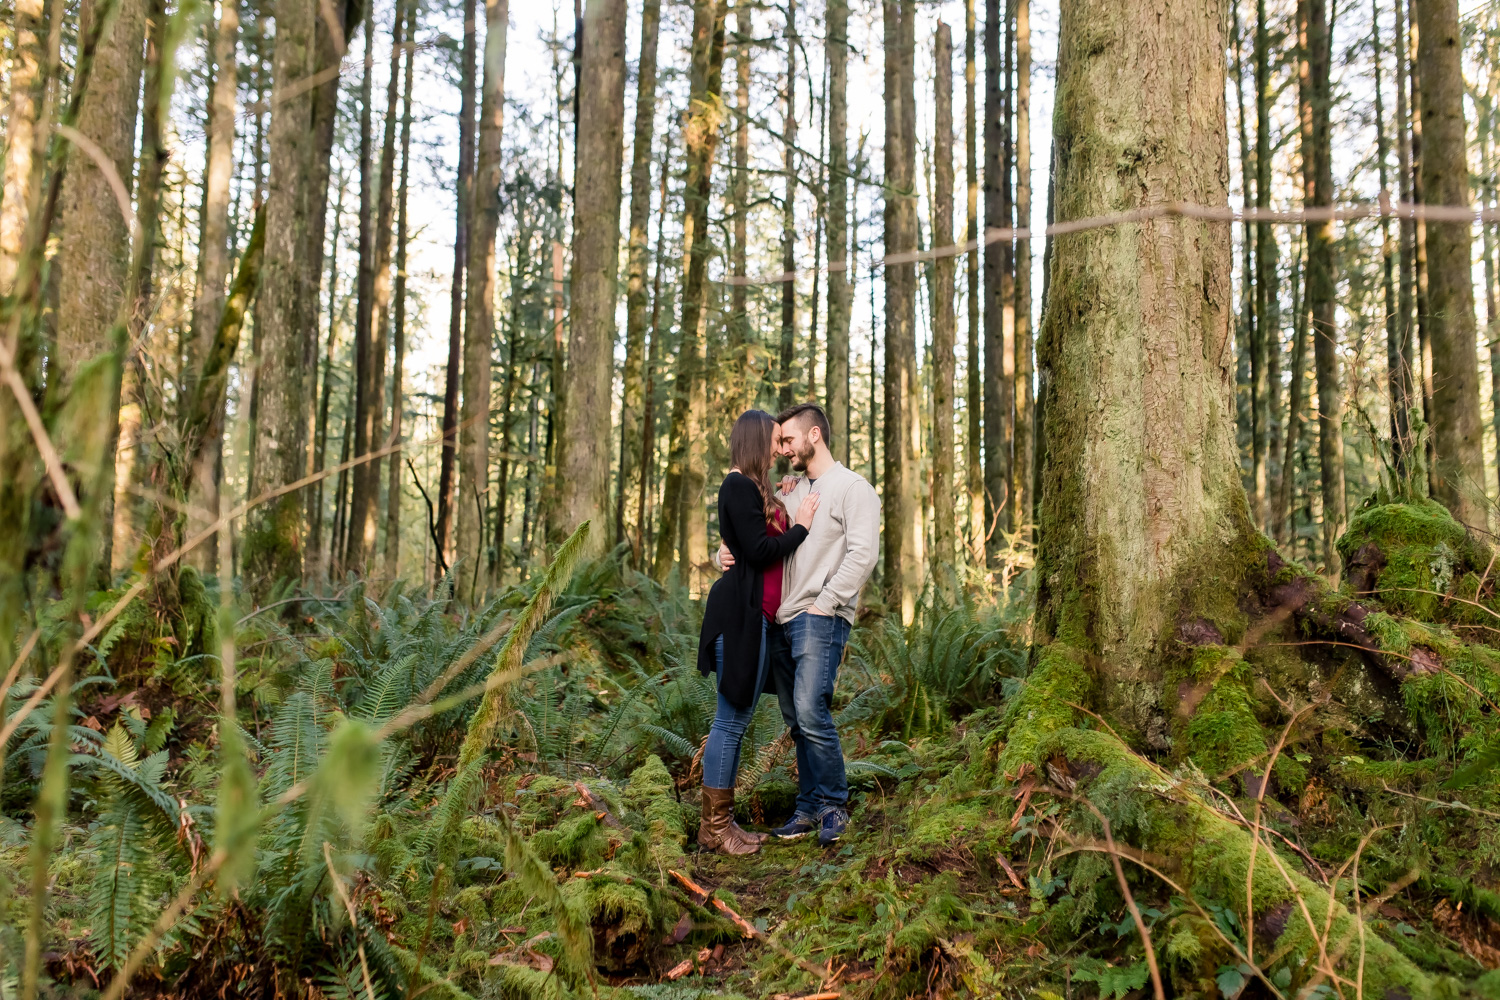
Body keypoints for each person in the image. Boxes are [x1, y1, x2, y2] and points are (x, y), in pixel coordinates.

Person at [717, 402, 880, 846]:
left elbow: (863, 555)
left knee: (811, 710)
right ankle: (807, 807)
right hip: (782, 621)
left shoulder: (853, 488)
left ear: (814, 436)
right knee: (796, 719)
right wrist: (722, 554)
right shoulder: (791, 491)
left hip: (819, 617)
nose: (782, 449)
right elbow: (757, 539)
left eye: (788, 440)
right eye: (778, 442)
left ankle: (833, 805)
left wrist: (826, 604)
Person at [696, 410, 821, 855]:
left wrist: (785, 499)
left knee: (737, 719)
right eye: (773, 440)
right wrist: (802, 525)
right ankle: (715, 829)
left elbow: (751, 538)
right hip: (739, 616)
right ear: (754, 441)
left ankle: (721, 824)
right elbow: (760, 549)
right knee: (729, 721)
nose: (778, 449)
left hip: (760, 618)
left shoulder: (752, 490)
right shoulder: (736, 485)